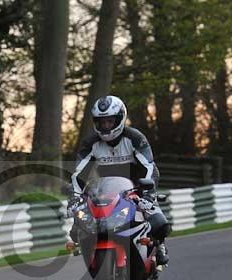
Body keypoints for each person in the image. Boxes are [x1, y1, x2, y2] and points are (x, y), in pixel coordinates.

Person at [69, 95, 170, 265]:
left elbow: (149, 168)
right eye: (101, 122)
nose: (105, 126)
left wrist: (147, 195)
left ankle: (159, 247)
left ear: (120, 119)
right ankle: (91, 255)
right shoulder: (90, 143)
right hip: (107, 188)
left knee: (158, 221)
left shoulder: (135, 138)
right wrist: (75, 197)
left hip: (138, 184)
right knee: (77, 225)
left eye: (109, 121)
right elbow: (78, 174)